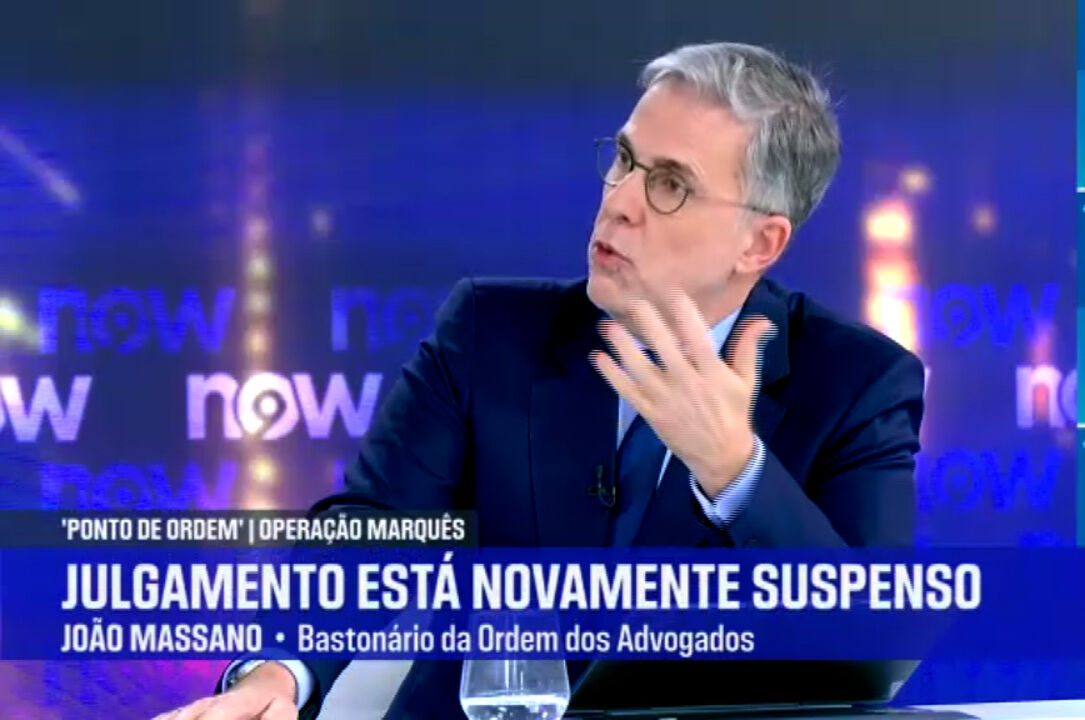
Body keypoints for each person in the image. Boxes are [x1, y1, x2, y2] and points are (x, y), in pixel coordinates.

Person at [153, 42, 924, 720]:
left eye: (670, 185)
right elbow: (375, 532)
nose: (620, 202)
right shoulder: (490, 334)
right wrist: (278, 672)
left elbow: (870, 648)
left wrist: (737, 472)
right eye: (625, 160)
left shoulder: (857, 383)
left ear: (760, 243)